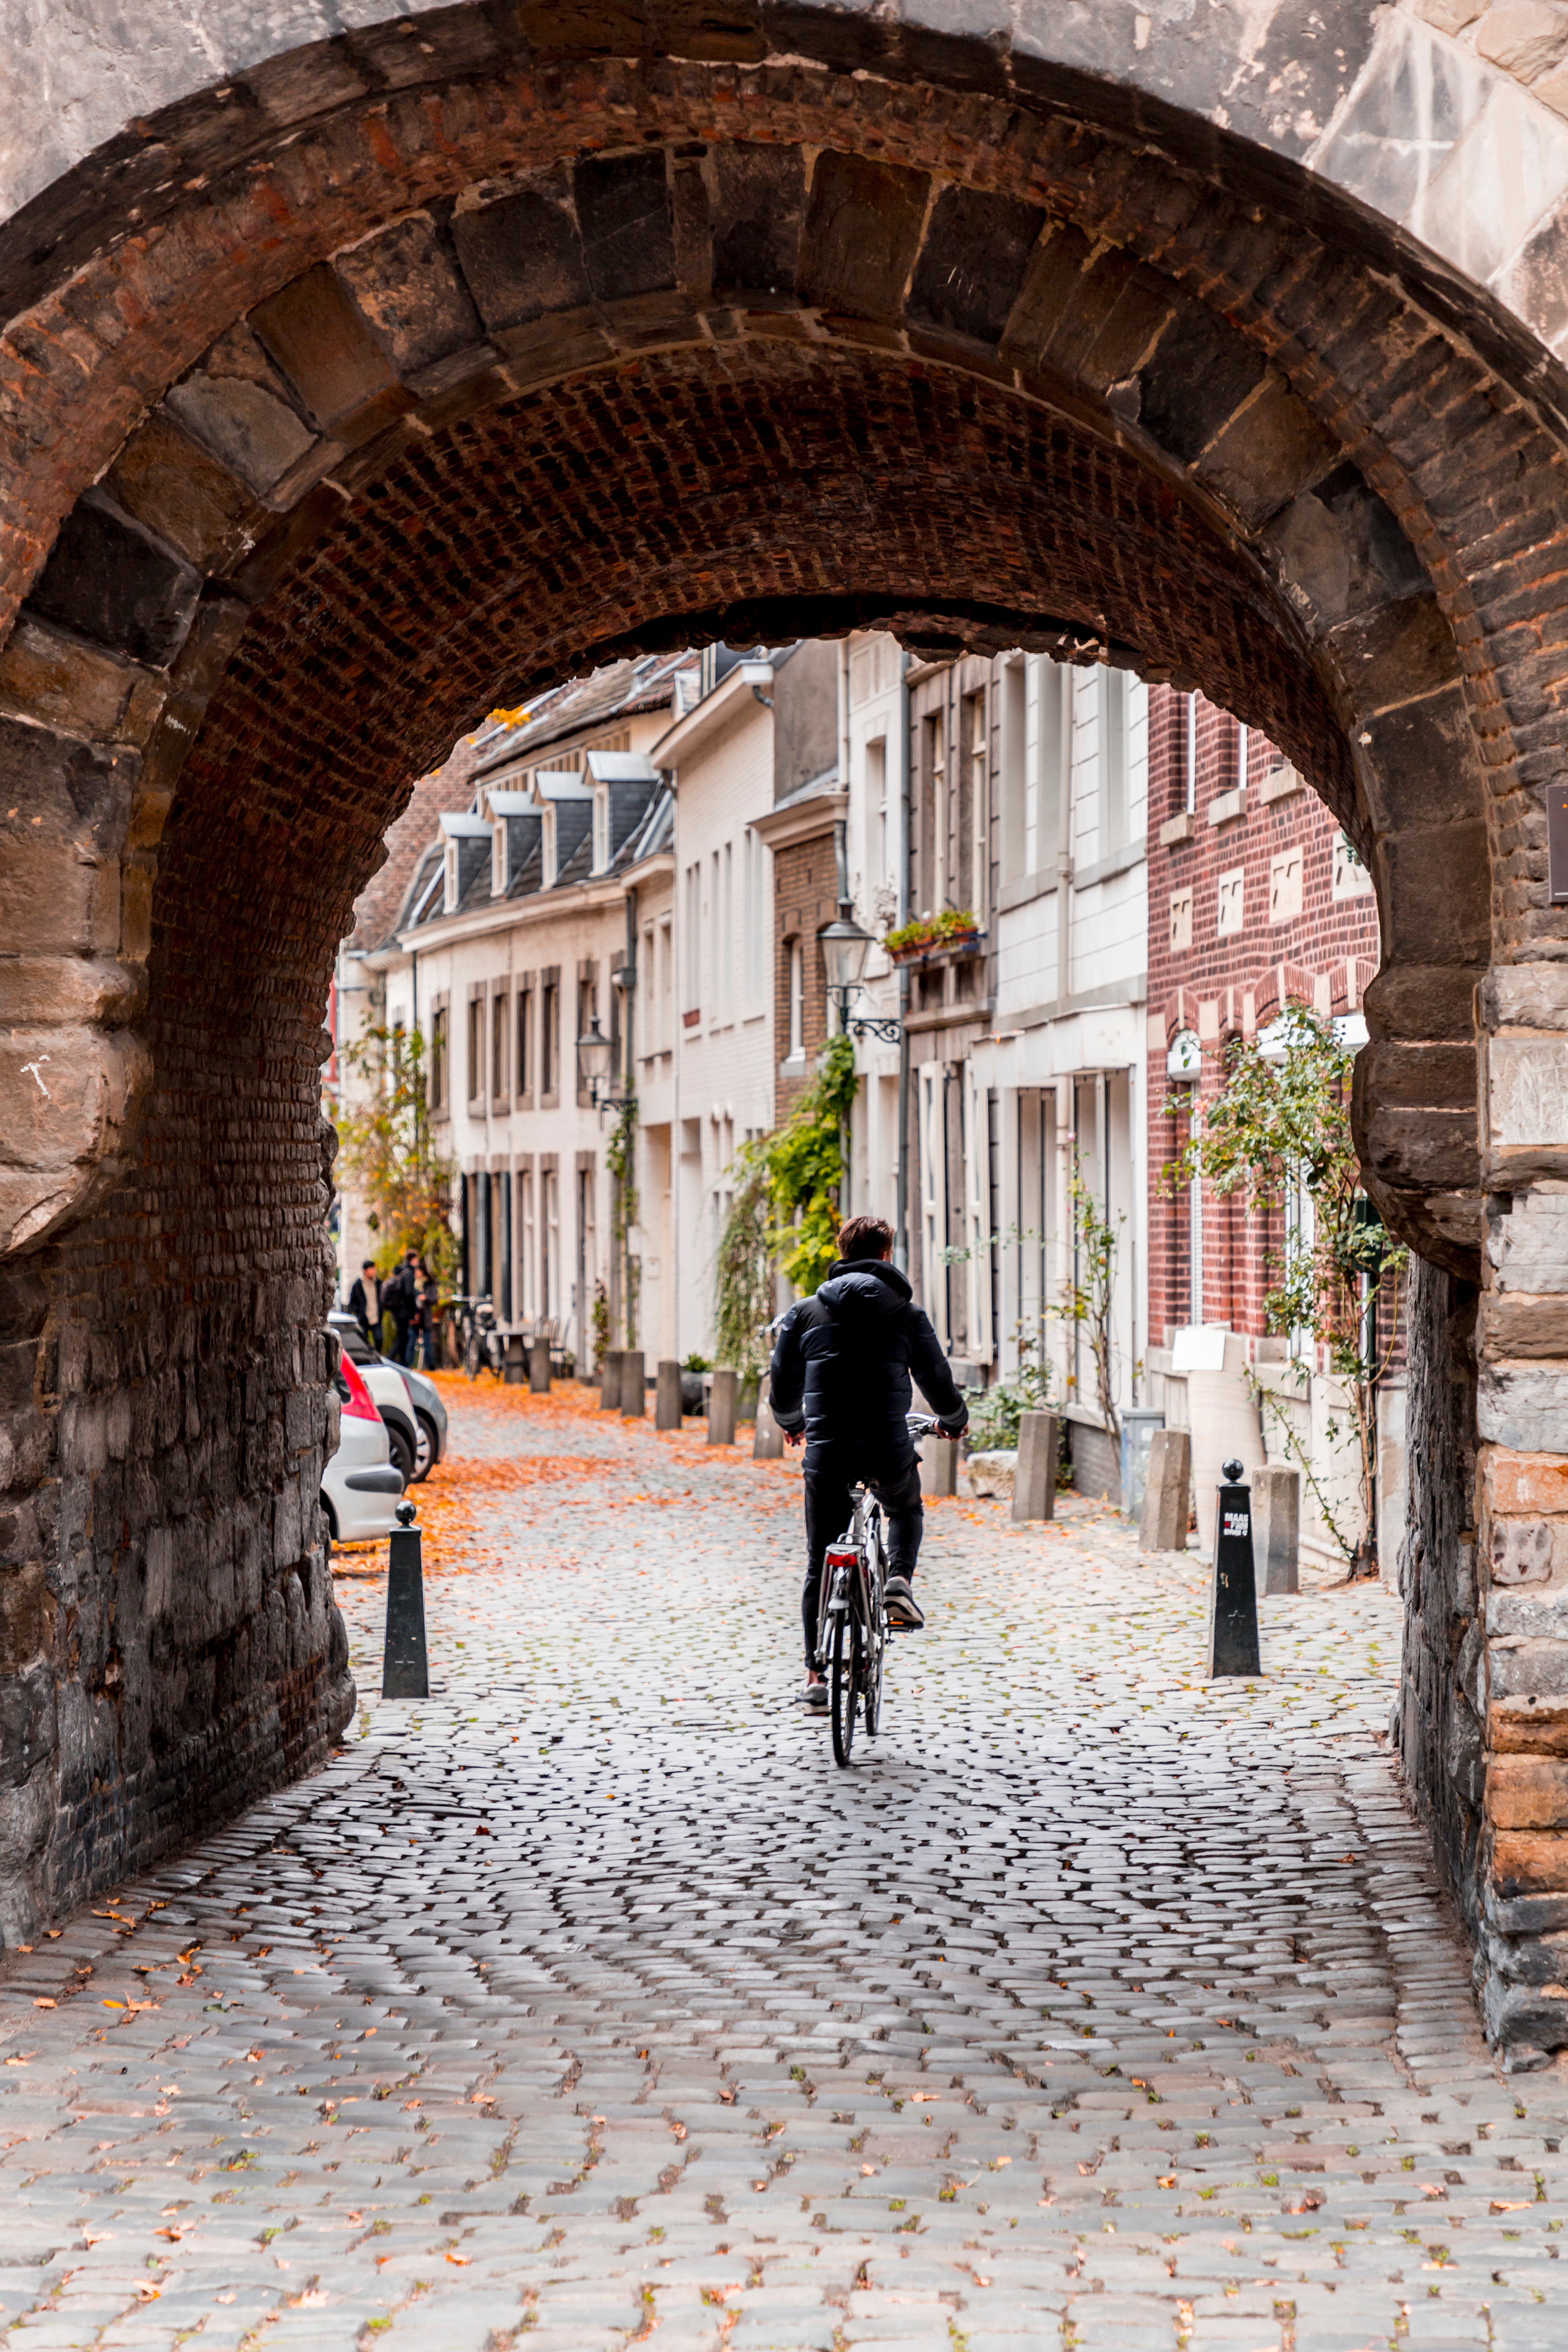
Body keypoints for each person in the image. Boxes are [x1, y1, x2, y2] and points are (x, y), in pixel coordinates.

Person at [767, 1212, 969, 1709]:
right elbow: (936, 1378)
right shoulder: (907, 1315)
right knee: (904, 1508)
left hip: (827, 1451)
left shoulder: (804, 1313)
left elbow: (783, 1381)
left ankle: (815, 1675)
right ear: (885, 1255)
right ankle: (898, 1580)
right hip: (887, 1447)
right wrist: (953, 1420)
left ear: (842, 1253)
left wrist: (792, 1421)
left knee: (819, 1558)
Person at [347, 1259, 379, 1347]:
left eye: (374, 1269)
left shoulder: (378, 1283)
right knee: (363, 1341)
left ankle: (376, 1355)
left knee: (379, 1339)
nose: (374, 1271)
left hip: (376, 1317)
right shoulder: (358, 1285)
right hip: (363, 1318)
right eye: (371, 1269)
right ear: (365, 1270)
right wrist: (359, 1313)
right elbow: (353, 1302)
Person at [418, 1260, 440, 1370]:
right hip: (414, 1316)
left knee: (427, 1342)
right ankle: (407, 1364)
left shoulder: (429, 1284)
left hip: (425, 1316)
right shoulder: (412, 1282)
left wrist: (426, 1298)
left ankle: (430, 1365)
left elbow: (435, 1299)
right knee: (411, 1341)